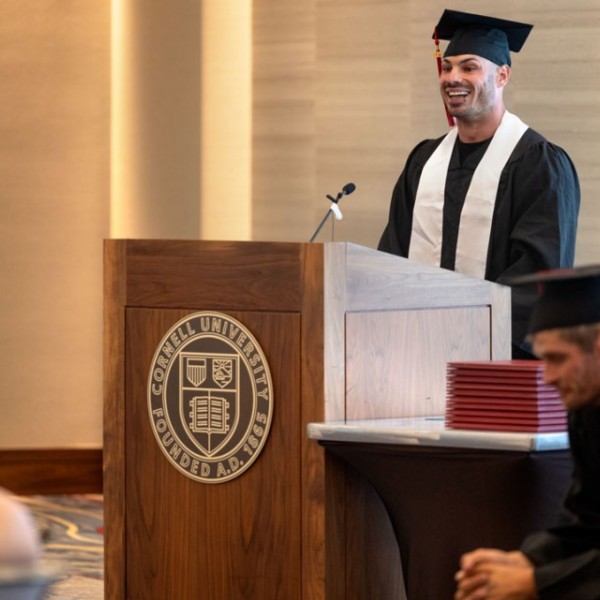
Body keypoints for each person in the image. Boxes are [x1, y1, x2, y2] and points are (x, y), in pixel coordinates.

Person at [377, 9, 580, 358]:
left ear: (502, 75)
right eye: (448, 67)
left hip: (499, 360)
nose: (452, 77)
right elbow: (392, 258)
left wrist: (465, 330)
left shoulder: (538, 163)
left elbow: (539, 277)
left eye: (469, 67)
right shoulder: (423, 162)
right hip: (413, 351)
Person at [454, 265, 600, 599]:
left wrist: (536, 582)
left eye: (557, 359)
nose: (546, 377)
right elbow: (586, 518)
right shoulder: (587, 410)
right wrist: (526, 559)